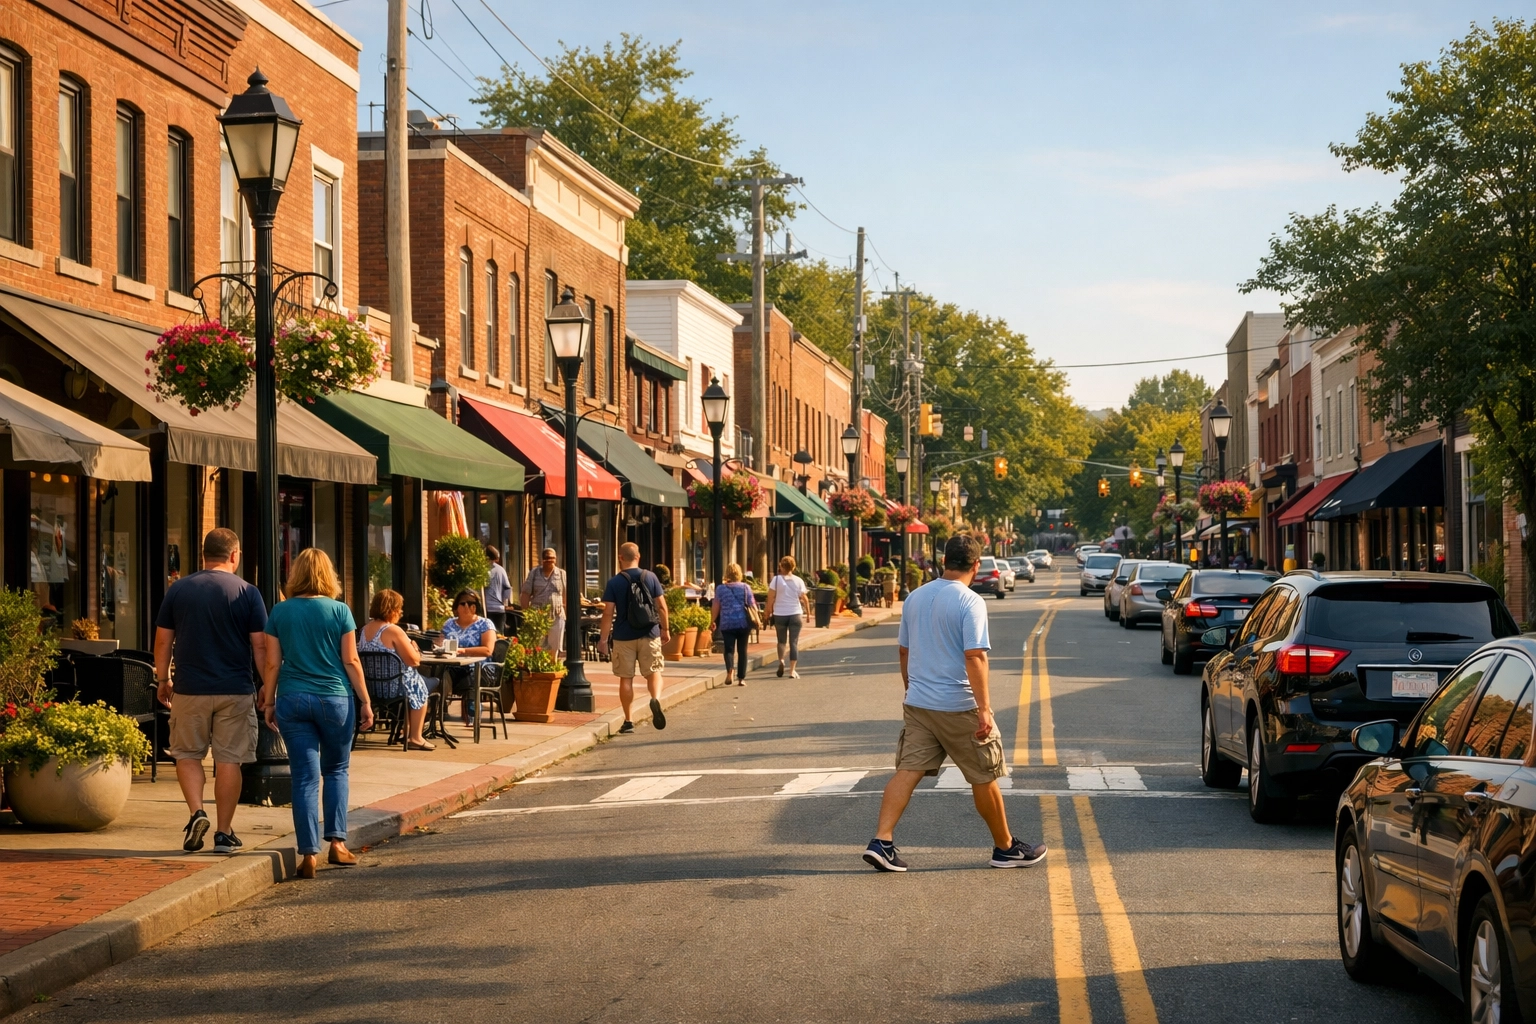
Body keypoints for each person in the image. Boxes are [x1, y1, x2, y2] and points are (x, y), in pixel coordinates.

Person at [863, 534, 1047, 873]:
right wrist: (984, 709)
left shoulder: (915, 598)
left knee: (907, 772)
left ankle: (882, 841)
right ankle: (1005, 848)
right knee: (984, 775)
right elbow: (975, 656)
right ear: (976, 566)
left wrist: (910, 689)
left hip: (919, 703)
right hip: (958, 705)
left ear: (943, 561)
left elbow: (904, 650)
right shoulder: (970, 601)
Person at [258, 549, 372, 878]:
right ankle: (337, 845)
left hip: (293, 698)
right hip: (334, 699)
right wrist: (364, 700)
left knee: (304, 778)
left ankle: (308, 853)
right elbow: (351, 661)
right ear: (329, 575)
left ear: (296, 575)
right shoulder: (340, 611)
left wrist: (269, 703)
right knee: (336, 770)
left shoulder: (280, 612)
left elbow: (272, 662)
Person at [153, 528, 268, 855]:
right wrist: (267, 687)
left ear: (203, 555)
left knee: (187, 754)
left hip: (190, 689)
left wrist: (164, 679)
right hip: (235, 690)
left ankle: (196, 813)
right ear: (234, 555)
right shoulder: (248, 592)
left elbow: (163, 640)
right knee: (229, 760)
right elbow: (260, 646)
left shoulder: (180, 590)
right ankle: (223, 832)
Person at [597, 542, 671, 735]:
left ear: (620, 558)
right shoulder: (651, 577)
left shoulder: (614, 582)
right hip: (649, 633)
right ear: (638, 556)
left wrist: (603, 639)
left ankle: (628, 720)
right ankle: (654, 698)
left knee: (626, 678)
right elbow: (661, 606)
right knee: (654, 671)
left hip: (623, 636)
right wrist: (665, 629)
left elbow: (608, 613)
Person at [357, 589, 436, 750]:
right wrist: (414, 647)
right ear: (391, 609)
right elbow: (413, 661)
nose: (400, 612)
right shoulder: (393, 630)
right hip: (395, 688)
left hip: (372, 688)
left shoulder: (364, 630)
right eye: (399, 608)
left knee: (423, 681)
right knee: (426, 684)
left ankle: (404, 730)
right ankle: (415, 736)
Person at [440, 590, 498, 725]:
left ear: (476, 606)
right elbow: (441, 643)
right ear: (456, 607)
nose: (467, 606)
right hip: (453, 666)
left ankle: (472, 712)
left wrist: (463, 651)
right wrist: (438, 645)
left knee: (470, 673)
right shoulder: (449, 624)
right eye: (463, 603)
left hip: (479, 668)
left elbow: (488, 650)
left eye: (471, 603)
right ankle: (437, 709)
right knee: (439, 673)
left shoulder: (485, 624)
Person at [711, 562, 758, 687]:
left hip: (727, 623)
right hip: (743, 623)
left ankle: (730, 670)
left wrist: (712, 621)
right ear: (739, 574)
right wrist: (757, 618)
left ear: (727, 574)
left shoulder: (720, 589)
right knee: (743, 650)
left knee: (728, 649)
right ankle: (741, 678)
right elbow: (752, 604)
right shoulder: (745, 587)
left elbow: (716, 606)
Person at [767, 556, 810, 679]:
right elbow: (804, 598)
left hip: (780, 613)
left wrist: (768, 611)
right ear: (793, 567)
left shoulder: (775, 580)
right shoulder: (798, 580)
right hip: (795, 612)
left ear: (781, 566)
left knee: (781, 641)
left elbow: (770, 598)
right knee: (794, 642)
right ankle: (792, 670)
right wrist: (807, 614)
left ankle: (781, 660)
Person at [520, 548, 567, 654]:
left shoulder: (562, 574)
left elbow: (566, 595)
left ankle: (552, 667)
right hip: (538, 617)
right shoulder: (534, 573)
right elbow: (525, 593)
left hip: (557, 615)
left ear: (556, 559)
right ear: (542, 560)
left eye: (552, 558)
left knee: (554, 649)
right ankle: (538, 669)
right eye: (547, 558)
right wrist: (527, 614)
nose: (549, 560)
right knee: (537, 647)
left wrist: (567, 615)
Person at [484, 546, 513, 633]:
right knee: (499, 636)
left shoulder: (481, 569)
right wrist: (504, 603)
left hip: (485, 609)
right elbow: (508, 588)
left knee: (485, 635)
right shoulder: (501, 570)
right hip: (499, 609)